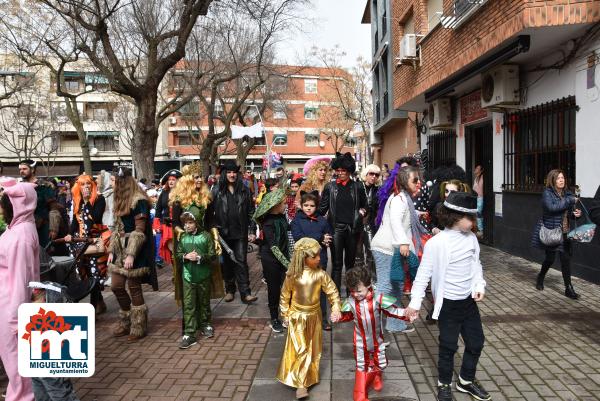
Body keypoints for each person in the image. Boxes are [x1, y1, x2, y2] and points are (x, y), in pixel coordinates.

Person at [405, 191, 490, 401]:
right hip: (448, 306)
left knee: (476, 343)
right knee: (448, 347)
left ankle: (466, 381)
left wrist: (479, 284)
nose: (472, 222)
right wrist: (415, 303)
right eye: (469, 218)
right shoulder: (437, 243)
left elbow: (476, 265)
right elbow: (423, 275)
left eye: (473, 217)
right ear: (453, 216)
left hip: (468, 304)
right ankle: (444, 384)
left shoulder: (471, 240)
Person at [332, 267, 410, 401]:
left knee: (380, 362)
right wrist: (338, 317)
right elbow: (347, 316)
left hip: (377, 341)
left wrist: (408, 314)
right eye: (352, 291)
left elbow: (392, 311)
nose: (355, 294)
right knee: (362, 365)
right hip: (360, 342)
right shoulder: (350, 302)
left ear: (368, 285)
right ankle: (360, 395)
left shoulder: (378, 299)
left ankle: (376, 375)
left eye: (359, 290)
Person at [277, 238, 341, 400]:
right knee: (301, 348)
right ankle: (301, 384)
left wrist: (336, 307)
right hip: (297, 317)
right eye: (315, 256)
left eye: (319, 255)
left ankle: (308, 375)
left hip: (315, 316)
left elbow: (332, 291)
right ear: (303, 257)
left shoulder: (320, 274)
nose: (319, 258)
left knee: (314, 348)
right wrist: (285, 314)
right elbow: (285, 295)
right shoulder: (293, 275)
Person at [371, 166, 427, 333]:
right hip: (386, 248)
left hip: (391, 248)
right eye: (415, 180)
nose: (418, 183)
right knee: (385, 287)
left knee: (396, 285)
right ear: (404, 181)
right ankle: (371, 326)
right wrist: (403, 242)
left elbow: (401, 215)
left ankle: (394, 324)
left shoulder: (404, 199)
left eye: (418, 180)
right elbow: (395, 221)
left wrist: (416, 213)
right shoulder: (399, 199)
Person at [0, 177, 39, 401]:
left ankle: (23, 397)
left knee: (17, 362)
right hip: (9, 306)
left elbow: (20, 279)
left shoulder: (20, 235)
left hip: (10, 309)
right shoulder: (21, 229)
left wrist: (16, 320)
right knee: (14, 363)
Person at [108, 167, 157, 342]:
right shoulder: (120, 199)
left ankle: (138, 326)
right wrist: (112, 251)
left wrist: (131, 254)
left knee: (134, 287)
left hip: (135, 250)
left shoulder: (139, 201)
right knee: (116, 286)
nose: (112, 184)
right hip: (120, 248)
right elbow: (117, 229)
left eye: (115, 181)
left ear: (123, 182)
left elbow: (139, 231)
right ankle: (126, 319)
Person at [209, 161, 258, 304]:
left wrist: (252, 230)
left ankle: (246, 292)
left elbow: (251, 212)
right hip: (223, 234)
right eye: (229, 172)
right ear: (224, 174)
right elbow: (209, 214)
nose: (232, 175)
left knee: (241, 261)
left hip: (240, 232)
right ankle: (230, 290)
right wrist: (214, 230)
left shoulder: (244, 190)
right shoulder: (216, 191)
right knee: (227, 264)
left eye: (234, 172)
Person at [318, 152, 367, 291]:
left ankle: (351, 295)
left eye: (343, 171)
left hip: (352, 230)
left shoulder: (358, 187)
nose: (340, 173)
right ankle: (336, 297)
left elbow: (366, 206)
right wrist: (308, 207)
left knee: (350, 264)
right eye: (338, 170)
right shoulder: (330, 187)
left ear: (349, 171)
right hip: (336, 229)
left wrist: (361, 212)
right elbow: (322, 209)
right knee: (337, 264)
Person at [531, 169, 582, 299]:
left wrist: (575, 215)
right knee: (550, 259)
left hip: (565, 232)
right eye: (558, 178)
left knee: (566, 260)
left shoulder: (567, 193)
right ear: (552, 180)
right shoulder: (547, 193)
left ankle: (568, 288)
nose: (561, 180)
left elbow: (568, 213)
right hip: (552, 231)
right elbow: (552, 208)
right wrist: (569, 201)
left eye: (563, 178)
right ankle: (541, 276)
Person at [64, 175, 109, 315]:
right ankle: (100, 302)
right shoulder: (76, 201)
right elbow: (76, 222)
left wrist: (87, 201)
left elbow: (95, 218)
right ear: (78, 187)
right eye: (83, 185)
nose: (86, 187)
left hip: (95, 241)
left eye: (88, 184)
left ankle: (94, 307)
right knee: (84, 274)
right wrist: (70, 234)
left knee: (95, 273)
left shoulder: (99, 199)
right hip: (79, 243)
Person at [29, 282, 80, 401]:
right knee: (40, 388)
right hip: (38, 359)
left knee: (60, 392)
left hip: (51, 359)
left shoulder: (56, 320)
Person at [291, 191, 333, 330]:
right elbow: (299, 238)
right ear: (301, 206)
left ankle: (323, 318)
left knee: (320, 289)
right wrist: (320, 238)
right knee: (302, 288)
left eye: (312, 205)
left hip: (320, 259)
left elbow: (329, 235)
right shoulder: (297, 220)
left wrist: (326, 238)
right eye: (306, 205)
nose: (309, 208)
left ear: (316, 206)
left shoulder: (322, 220)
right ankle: (302, 318)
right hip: (302, 260)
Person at [176, 211, 216, 349]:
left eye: (190, 222)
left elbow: (212, 254)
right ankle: (189, 333)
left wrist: (200, 257)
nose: (187, 226)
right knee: (188, 303)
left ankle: (205, 324)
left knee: (204, 301)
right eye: (185, 223)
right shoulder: (183, 238)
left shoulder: (206, 237)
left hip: (203, 275)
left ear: (197, 223)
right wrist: (186, 256)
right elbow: (178, 253)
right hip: (188, 276)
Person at [253, 189, 290, 332]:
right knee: (274, 289)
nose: (285, 205)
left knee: (286, 288)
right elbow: (273, 246)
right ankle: (274, 318)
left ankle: (287, 314)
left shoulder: (282, 218)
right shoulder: (268, 222)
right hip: (271, 260)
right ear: (275, 205)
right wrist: (287, 263)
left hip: (284, 258)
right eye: (283, 203)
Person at [18, 159, 55, 247]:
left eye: (24, 169)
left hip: (42, 228)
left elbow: (54, 208)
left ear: (33, 170)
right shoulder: (19, 187)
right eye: (20, 169)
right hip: (24, 227)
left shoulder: (44, 186)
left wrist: (53, 227)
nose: (21, 171)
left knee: (43, 256)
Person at [356, 164, 381, 274]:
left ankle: (371, 279)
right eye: (371, 174)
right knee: (358, 253)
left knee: (371, 251)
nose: (374, 176)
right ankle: (358, 279)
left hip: (371, 224)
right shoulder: (357, 187)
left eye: (376, 175)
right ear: (365, 174)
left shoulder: (378, 190)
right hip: (357, 224)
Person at [154, 170, 181, 266]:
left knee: (178, 250)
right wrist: (157, 223)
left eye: (173, 179)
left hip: (179, 225)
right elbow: (158, 209)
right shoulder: (164, 193)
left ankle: (179, 272)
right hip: (167, 225)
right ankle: (175, 272)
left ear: (178, 181)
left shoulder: (182, 193)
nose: (171, 182)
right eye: (169, 180)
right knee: (171, 250)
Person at [473, 165, 484, 237]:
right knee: (477, 213)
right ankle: (479, 229)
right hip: (477, 197)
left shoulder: (482, 177)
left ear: (481, 170)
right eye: (476, 168)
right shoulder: (476, 178)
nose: (475, 169)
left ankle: (481, 230)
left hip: (481, 197)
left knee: (478, 213)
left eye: (477, 168)